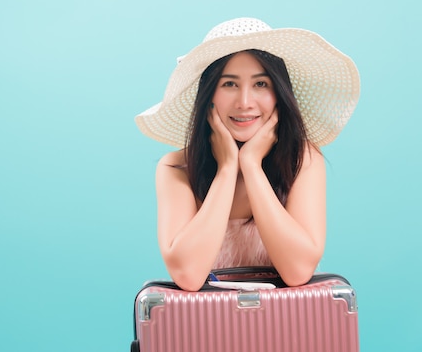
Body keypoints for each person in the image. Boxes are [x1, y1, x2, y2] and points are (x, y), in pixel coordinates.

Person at [135, 17, 360, 291]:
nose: (244, 102)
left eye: (261, 84)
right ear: (209, 95)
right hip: (205, 330)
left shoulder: (303, 160)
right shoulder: (176, 168)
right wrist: (228, 167)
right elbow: (189, 276)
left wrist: (251, 166)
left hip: (289, 330)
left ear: (279, 93)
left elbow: (298, 271)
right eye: (229, 84)